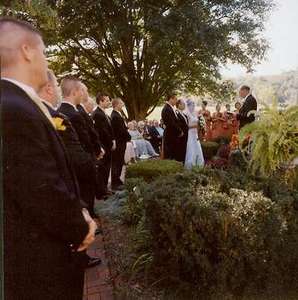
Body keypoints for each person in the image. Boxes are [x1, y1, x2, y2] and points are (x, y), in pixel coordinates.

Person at [1, 17, 96, 300]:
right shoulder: (13, 108)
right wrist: (81, 226)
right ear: (27, 51)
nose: (46, 60)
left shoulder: (17, 102)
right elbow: (39, 187)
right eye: (43, 51)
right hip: (40, 264)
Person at [39, 70, 102, 269]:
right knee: (80, 212)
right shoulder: (60, 115)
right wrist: (91, 165)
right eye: (56, 85)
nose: (59, 89)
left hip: (76, 169)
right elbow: (75, 148)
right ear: (49, 89)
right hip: (78, 171)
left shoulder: (59, 113)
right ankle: (80, 256)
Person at [59, 77, 98, 217]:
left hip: (68, 163)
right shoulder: (74, 114)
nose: (83, 94)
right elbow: (85, 140)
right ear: (75, 92)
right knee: (86, 195)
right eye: (81, 91)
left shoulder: (59, 111)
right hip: (81, 163)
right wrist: (92, 157)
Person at [77, 83, 106, 200]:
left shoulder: (83, 113)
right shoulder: (79, 113)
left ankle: (100, 191)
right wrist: (97, 150)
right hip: (88, 153)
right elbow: (88, 135)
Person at [92, 92, 116, 195]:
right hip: (104, 145)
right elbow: (103, 131)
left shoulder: (104, 113)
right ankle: (101, 191)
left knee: (106, 168)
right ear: (100, 101)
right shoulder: (97, 114)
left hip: (107, 144)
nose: (109, 102)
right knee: (103, 169)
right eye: (106, 100)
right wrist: (111, 142)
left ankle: (104, 188)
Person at [110, 98, 131, 190]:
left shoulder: (118, 115)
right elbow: (121, 130)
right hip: (119, 143)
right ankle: (115, 183)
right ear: (117, 104)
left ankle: (118, 180)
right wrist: (128, 136)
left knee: (119, 162)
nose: (122, 105)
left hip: (121, 142)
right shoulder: (115, 116)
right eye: (121, 103)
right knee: (117, 163)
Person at [161, 93, 184, 161]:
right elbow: (171, 123)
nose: (176, 101)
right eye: (175, 99)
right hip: (170, 135)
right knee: (169, 154)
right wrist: (180, 131)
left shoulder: (170, 108)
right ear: (171, 99)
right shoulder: (167, 109)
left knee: (173, 153)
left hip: (172, 135)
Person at [184, 99, 205, 169]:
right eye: (192, 105)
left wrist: (201, 125)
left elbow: (198, 122)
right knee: (191, 148)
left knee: (197, 147)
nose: (193, 107)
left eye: (194, 105)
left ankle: (198, 163)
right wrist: (194, 126)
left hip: (195, 133)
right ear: (188, 106)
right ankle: (190, 164)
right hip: (190, 133)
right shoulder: (186, 114)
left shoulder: (195, 113)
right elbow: (185, 126)